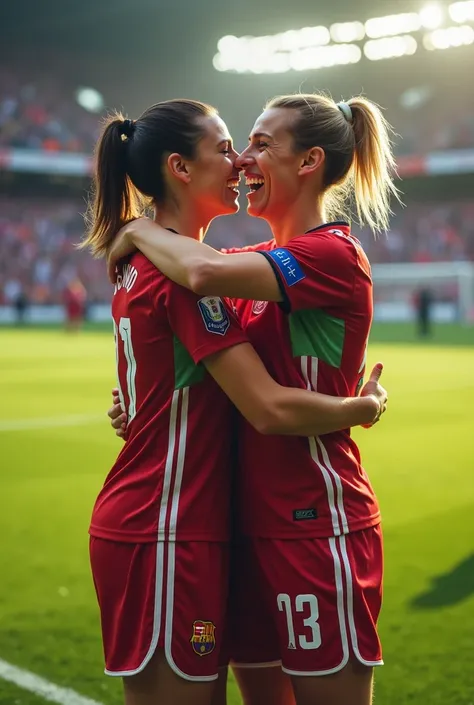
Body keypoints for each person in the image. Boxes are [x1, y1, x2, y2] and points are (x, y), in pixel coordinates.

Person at [80, 99, 387, 705]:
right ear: (179, 167)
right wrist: (144, 406)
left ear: (311, 161)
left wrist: (137, 228)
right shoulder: (237, 266)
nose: (243, 160)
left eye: (258, 144)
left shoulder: (327, 255)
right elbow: (194, 298)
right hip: (226, 528)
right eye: (231, 147)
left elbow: (201, 280)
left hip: (311, 522)